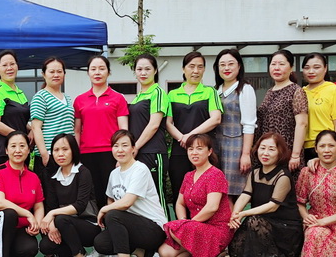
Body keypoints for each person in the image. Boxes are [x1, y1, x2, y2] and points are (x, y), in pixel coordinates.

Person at [94, 130, 168, 257]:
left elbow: (127, 202)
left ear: (133, 149)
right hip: (131, 226)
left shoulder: (140, 169)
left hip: (153, 228)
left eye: (125, 145)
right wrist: (108, 212)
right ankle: (141, 253)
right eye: (116, 146)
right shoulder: (114, 173)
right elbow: (111, 199)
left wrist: (105, 210)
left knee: (113, 214)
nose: (120, 150)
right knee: (101, 243)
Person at [158, 134, 234, 257]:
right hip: (196, 227)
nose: (194, 153)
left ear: (209, 151)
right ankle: (211, 254)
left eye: (199, 148)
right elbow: (180, 203)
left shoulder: (215, 174)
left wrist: (188, 225)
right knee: (166, 253)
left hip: (216, 228)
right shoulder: (188, 176)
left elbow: (212, 207)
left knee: (175, 228)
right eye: (190, 149)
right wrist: (183, 221)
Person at [228, 133, 303, 257]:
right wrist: (235, 214)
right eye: (262, 148)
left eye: (271, 149)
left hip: (285, 227)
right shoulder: (255, 173)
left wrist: (244, 213)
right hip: (263, 222)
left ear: (280, 153)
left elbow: (272, 206)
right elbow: (245, 195)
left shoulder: (283, 176)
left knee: (252, 220)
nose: (265, 153)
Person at [39, 133, 99, 257]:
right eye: (56, 150)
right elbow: (51, 206)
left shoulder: (83, 172)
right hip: (64, 224)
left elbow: (80, 206)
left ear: (73, 151)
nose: (60, 154)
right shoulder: (53, 177)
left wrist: (52, 215)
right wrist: (52, 225)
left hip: (88, 225)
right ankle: (72, 254)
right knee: (46, 245)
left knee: (61, 219)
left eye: (65, 149)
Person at [73, 54, 129, 211]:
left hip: (110, 153)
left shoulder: (118, 98)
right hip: (86, 154)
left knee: (113, 192)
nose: (97, 72)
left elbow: (123, 130)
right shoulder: (80, 100)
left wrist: (122, 154)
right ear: (88, 73)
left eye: (101, 69)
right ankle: (95, 223)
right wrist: (76, 156)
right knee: (92, 193)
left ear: (108, 72)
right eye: (93, 69)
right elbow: (77, 131)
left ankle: (111, 222)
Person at [165, 52, 223, 198]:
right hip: (180, 150)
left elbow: (216, 119)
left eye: (200, 67)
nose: (196, 71)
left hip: (205, 151)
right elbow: (168, 123)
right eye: (191, 66)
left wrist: (190, 137)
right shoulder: (172, 94)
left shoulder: (210, 92)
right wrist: (182, 138)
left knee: (206, 193)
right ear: (183, 69)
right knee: (180, 193)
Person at [128, 55, 170, 215]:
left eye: (147, 69)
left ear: (155, 71)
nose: (143, 73)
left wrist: (135, 147)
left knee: (157, 196)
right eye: (139, 69)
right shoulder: (138, 96)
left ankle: (167, 229)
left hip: (153, 153)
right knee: (142, 198)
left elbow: (154, 124)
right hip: (138, 153)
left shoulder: (158, 93)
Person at [214, 48, 256, 199]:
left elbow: (249, 124)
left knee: (232, 192)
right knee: (217, 191)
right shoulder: (215, 91)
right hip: (217, 146)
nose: (226, 68)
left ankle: (235, 216)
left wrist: (246, 154)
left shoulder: (245, 89)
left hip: (236, 147)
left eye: (231, 64)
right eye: (222, 65)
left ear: (239, 66)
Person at [256, 50, 308, 171]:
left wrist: (295, 155)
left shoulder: (296, 91)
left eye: (281, 64)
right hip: (268, 152)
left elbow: (302, 124)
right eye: (273, 64)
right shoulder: (269, 91)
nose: (277, 68)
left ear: (291, 68)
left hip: (286, 151)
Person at [30, 56, 74, 178]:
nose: (56, 75)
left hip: (66, 154)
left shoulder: (67, 97)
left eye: (59, 71)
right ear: (43, 74)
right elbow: (36, 128)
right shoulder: (40, 97)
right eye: (52, 72)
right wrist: (44, 154)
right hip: (50, 155)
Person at [0, 50, 31, 167]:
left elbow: (19, 120)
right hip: (2, 152)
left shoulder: (20, 93)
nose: (9, 68)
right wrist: (20, 138)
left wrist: (32, 130)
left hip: (21, 152)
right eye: (4, 65)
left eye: (12, 64)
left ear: (17, 66)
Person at [302, 53, 336, 162]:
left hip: (325, 146)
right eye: (307, 68)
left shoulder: (333, 90)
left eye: (316, 67)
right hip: (303, 147)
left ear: (325, 68)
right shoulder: (301, 92)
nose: (311, 71)